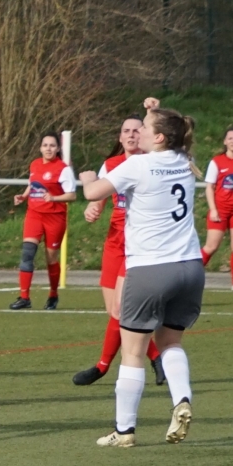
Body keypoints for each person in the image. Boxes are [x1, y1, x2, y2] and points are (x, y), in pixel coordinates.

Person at [75, 102, 198, 446]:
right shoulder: (184, 161)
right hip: (190, 267)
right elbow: (177, 137)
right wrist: (158, 111)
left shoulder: (138, 165)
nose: (137, 132)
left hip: (150, 268)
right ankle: (181, 398)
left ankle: (124, 430)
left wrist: (87, 178)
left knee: (133, 351)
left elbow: (92, 193)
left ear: (158, 137)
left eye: (143, 127)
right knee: (171, 342)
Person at [73, 117, 162, 387]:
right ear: (120, 137)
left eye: (137, 130)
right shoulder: (110, 165)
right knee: (117, 312)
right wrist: (92, 209)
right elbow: (98, 200)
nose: (132, 135)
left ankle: (102, 366)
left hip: (138, 245)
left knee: (122, 309)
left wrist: (153, 111)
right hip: (114, 243)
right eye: (126, 131)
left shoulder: (152, 163)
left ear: (144, 134)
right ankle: (157, 359)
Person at [8, 133, 76, 311]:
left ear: (58, 148)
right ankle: (24, 297)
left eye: (52, 145)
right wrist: (23, 196)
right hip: (34, 214)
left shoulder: (63, 169)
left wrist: (53, 197)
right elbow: (33, 183)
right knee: (27, 253)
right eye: (45, 145)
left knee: (51, 258)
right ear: (40, 147)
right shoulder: (35, 164)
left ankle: (53, 294)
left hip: (55, 217)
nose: (48, 148)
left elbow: (72, 195)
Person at [200, 126, 233, 290]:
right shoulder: (216, 162)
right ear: (225, 141)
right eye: (230, 138)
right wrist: (214, 210)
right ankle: (189, 276)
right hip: (220, 210)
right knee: (211, 247)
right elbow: (209, 187)